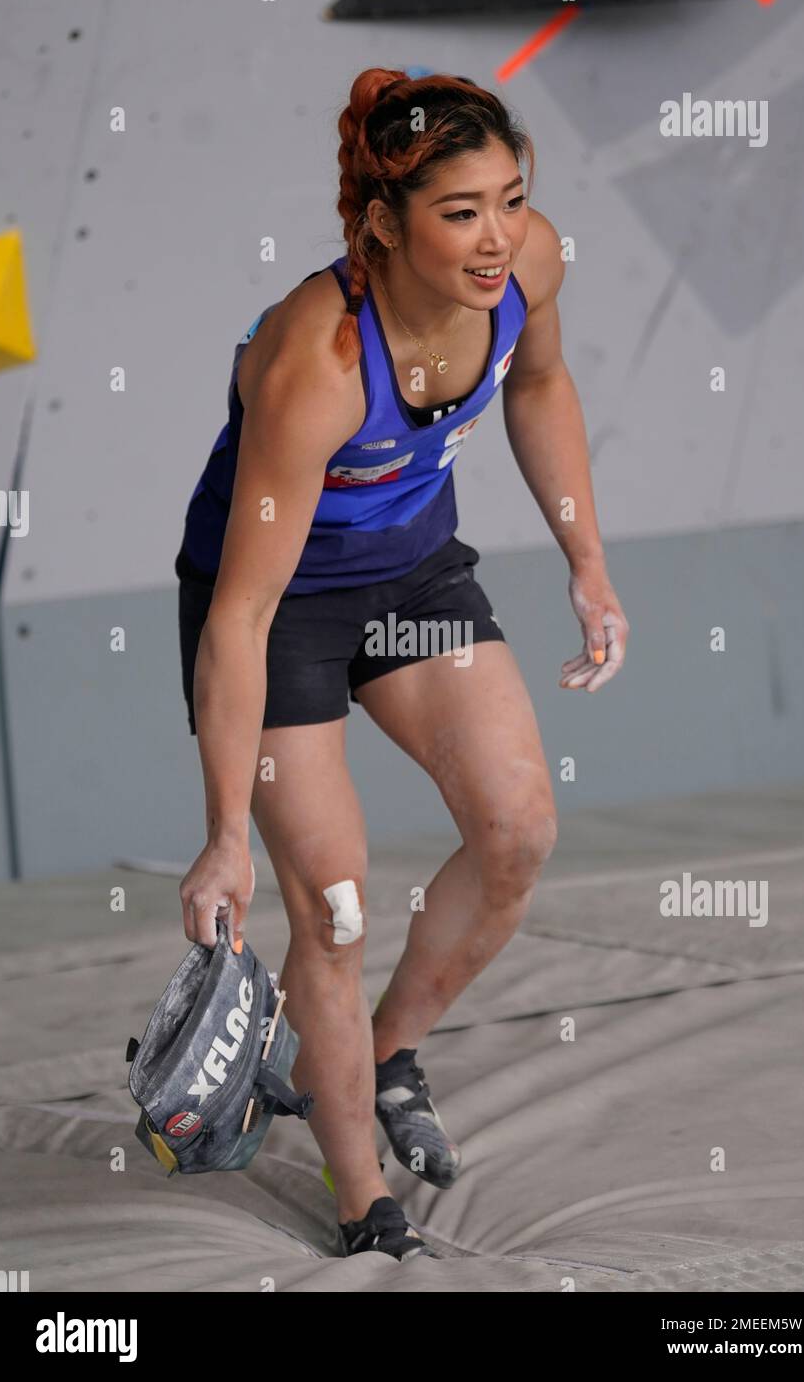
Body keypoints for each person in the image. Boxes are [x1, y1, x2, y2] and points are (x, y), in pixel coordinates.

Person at [175, 67, 629, 1262]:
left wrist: (585, 559)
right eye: (461, 210)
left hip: (414, 586)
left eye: (511, 198)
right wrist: (225, 829)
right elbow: (238, 612)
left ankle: (376, 1058)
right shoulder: (313, 359)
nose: (498, 237)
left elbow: (538, 383)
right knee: (330, 908)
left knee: (517, 828)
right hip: (281, 616)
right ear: (383, 223)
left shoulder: (529, 269)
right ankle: (358, 1195)